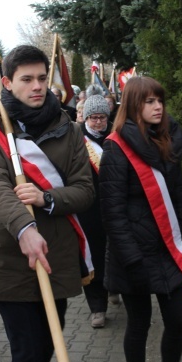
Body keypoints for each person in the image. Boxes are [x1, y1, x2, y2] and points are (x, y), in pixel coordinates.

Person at [0, 45, 94, 362]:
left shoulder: (69, 130)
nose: (37, 86)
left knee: (46, 344)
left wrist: (45, 198)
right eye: (27, 79)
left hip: (56, 253)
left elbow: (84, 190)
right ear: (7, 83)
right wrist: (25, 228)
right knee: (26, 351)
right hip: (11, 257)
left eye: (42, 78)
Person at [99, 76, 182, 362]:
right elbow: (112, 213)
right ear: (133, 105)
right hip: (134, 256)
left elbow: (179, 198)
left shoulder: (169, 140)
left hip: (169, 250)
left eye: (160, 100)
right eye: (149, 101)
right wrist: (132, 260)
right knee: (138, 325)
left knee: (178, 321)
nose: (158, 107)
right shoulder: (115, 147)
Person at [78, 95, 113, 328]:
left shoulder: (117, 138)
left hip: (115, 207)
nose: (98, 122)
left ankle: (116, 289)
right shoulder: (76, 140)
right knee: (93, 258)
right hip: (89, 210)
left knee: (117, 253)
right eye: (93, 118)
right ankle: (97, 308)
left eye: (101, 118)